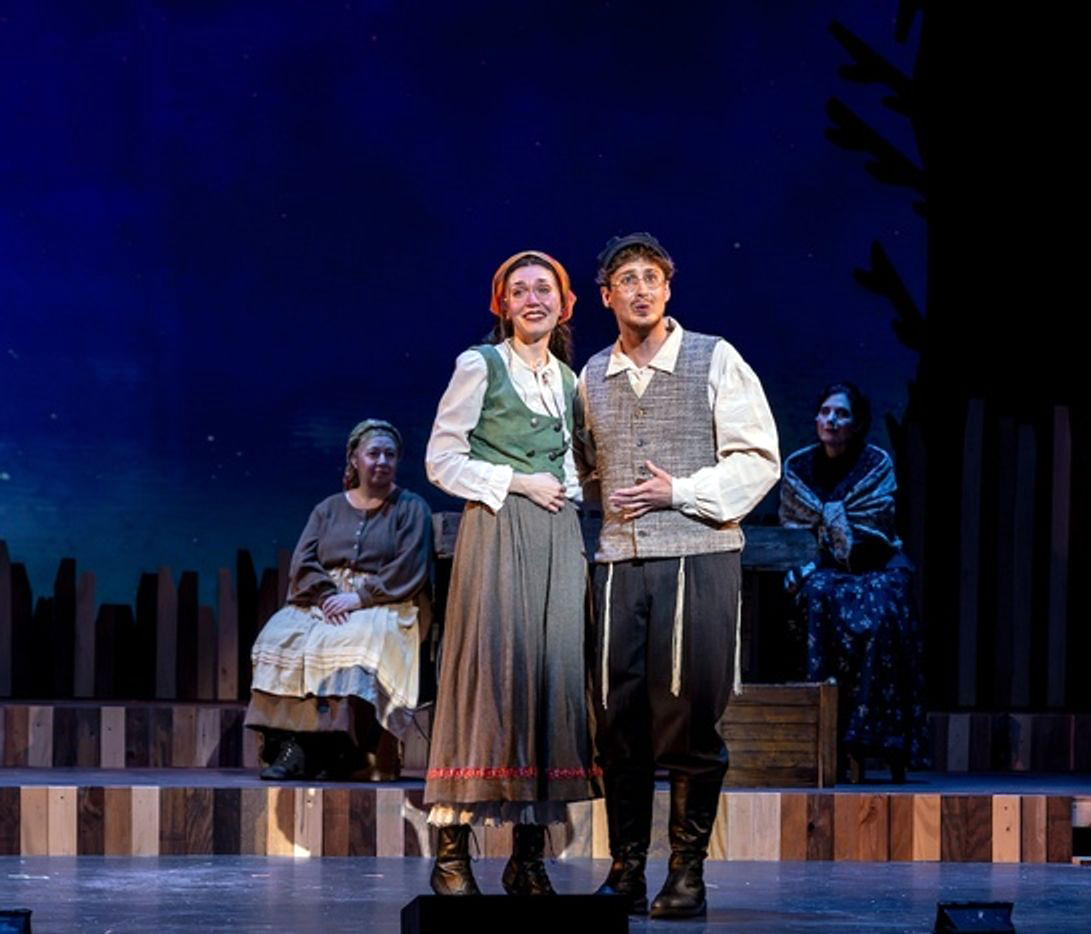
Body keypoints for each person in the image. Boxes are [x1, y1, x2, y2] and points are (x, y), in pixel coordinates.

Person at [575, 232, 780, 919]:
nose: (640, 290)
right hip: (618, 562)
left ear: (667, 288)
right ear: (606, 296)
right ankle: (626, 869)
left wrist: (679, 492)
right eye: (626, 280)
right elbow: (583, 467)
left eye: (651, 277)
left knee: (687, 719)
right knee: (617, 723)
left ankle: (687, 874)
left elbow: (757, 459)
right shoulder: (591, 375)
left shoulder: (713, 357)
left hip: (698, 555)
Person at [423, 250, 600, 897]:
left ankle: (527, 856)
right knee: (489, 677)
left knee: (550, 683)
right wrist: (518, 481)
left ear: (564, 304)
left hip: (556, 538)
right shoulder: (480, 365)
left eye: (543, 289)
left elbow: (575, 465)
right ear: (502, 305)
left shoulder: (569, 379)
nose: (532, 300)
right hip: (497, 530)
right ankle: (452, 854)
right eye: (519, 290)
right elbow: (441, 459)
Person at [245, 419, 432, 781]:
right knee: (278, 637)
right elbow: (304, 561)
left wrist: (359, 598)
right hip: (323, 599)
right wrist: (328, 595)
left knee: (352, 640)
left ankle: (345, 749)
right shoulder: (328, 509)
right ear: (354, 459)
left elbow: (410, 566)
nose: (382, 461)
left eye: (390, 455)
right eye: (373, 454)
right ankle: (292, 748)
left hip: (384, 601)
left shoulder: (412, 508)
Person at [779, 382, 926, 782]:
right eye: (826, 411)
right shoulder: (799, 467)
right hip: (820, 570)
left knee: (880, 616)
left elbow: (877, 527)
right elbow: (793, 526)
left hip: (874, 566)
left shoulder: (876, 465)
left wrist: (837, 545)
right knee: (817, 599)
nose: (831, 420)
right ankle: (821, 736)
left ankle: (867, 736)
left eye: (841, 413)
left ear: (857, 423)